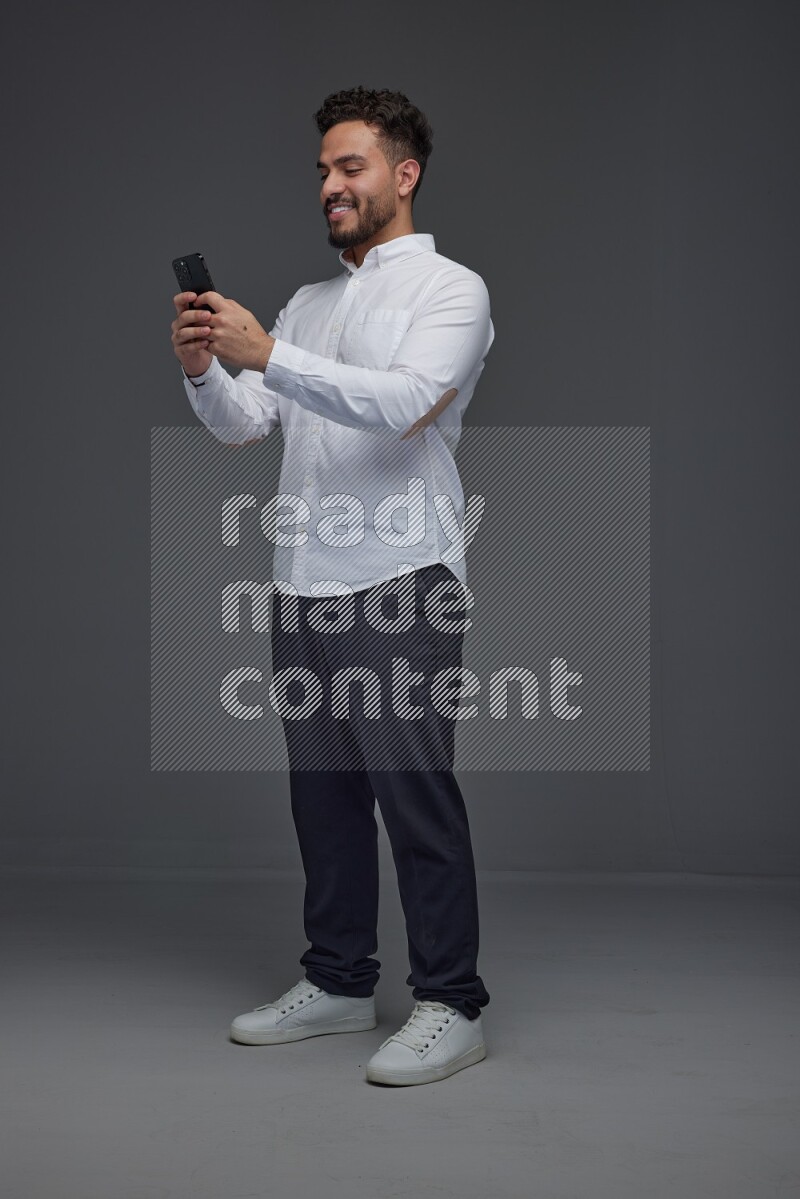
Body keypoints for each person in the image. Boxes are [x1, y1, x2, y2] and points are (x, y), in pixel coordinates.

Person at [170, 86, 494, 1086]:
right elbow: (246, 425)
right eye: (321, 169)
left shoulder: (451, 290)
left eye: (348, 167)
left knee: (413, 794)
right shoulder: (309, 304)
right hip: (303, 581)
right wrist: (202, 371)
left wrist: (267, 354)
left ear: (403, 174)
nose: (329, 185)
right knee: (324, 797)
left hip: (401, 576)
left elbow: (402, 405)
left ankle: (450, 1000)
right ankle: (340, 979)